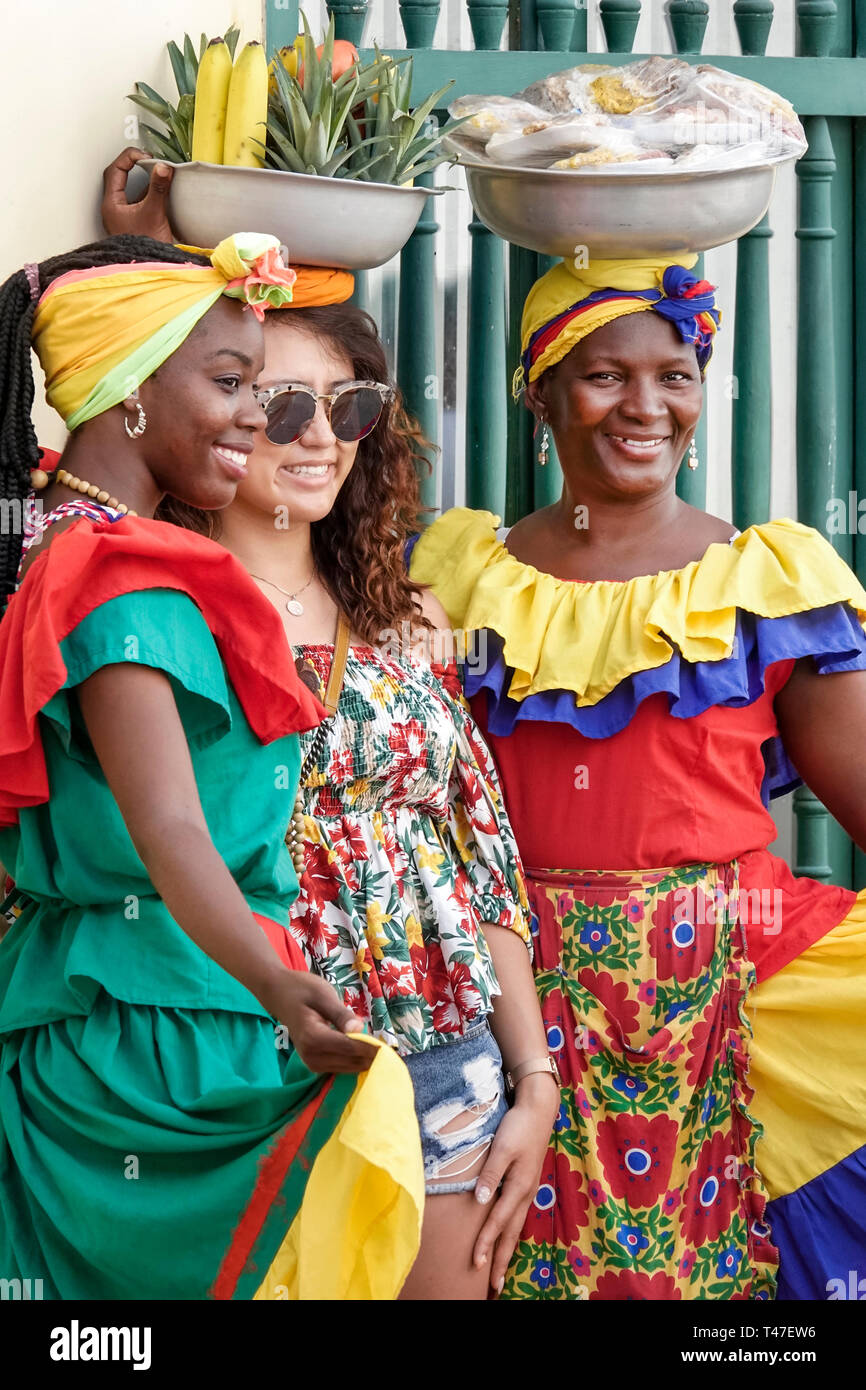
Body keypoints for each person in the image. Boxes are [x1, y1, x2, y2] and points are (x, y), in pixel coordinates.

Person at [409, 252, 866, 1300]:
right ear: (541, 391)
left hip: (725, 999)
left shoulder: (764, 583)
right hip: (510, 1002)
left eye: (674, 373)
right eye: (604, 374)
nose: (645, 405)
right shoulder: (458, 578)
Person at [0, 232, 423, 1300]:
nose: (255, 414)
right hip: (163, 1032)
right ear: (129, 390)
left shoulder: (72, 549)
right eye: (232, 383)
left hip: (133, 1005)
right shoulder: (118, 580)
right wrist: (280, 984)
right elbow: (172, 832)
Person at [156, 292, 560, 1302]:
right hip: (249, 1060)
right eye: (282, 403)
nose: (321, 437)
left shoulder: (405, 613)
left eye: (350, 405)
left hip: (441, 1055)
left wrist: (533, 1077)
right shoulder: (152, 616)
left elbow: (476, 852)